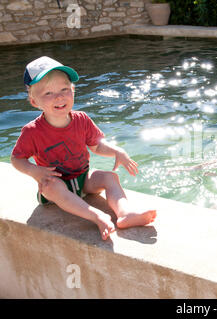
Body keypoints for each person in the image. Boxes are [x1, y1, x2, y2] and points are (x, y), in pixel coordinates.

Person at [10, 56, 156, 240]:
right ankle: (97, 216)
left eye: (64, 89)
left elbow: (96, 145)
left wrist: (116, 151)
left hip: (82, 179)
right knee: (52, 187)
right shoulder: (32, 131)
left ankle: (125, 213)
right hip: (55, 184)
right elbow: (16, 159)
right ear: (34, 101)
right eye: (48, 93)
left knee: (109, 177)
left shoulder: (82, 119)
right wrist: (35, 171)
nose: (59, 96)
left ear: (73, 90)